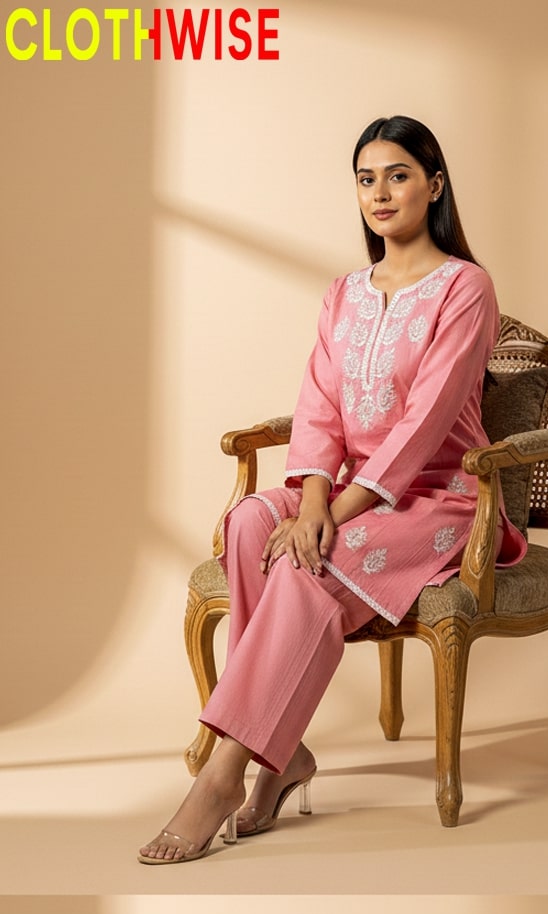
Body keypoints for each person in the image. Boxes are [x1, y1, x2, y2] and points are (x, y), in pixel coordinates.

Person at [138, 115, 526, 864]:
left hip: (440, 498)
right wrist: (314, 500)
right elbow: (318, 406)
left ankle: (227, 771)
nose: (380, 192)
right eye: (366, 178)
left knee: (308, 561)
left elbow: (426, 422)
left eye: (399, 175)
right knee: (255, 523)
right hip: (345, 487)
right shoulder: (345, 293)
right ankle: (290, 752)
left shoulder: (465, 288)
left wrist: (337, 513)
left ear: (434, 185)